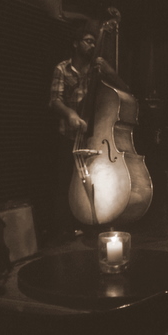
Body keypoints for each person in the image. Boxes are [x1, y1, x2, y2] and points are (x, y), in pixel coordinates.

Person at [49, 26, 128, 242]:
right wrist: (70, 113)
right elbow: (55, 100)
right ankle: (63, 229)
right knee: (64, 182)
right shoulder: (62, 69)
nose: (92, 45)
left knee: (95, 180)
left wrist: (110, 72)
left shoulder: (98, 70)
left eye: (94, 41)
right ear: (75, 44)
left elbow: (124, 90)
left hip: (95, 137)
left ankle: (91, 221)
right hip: (68, 135)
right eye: (87, 41)